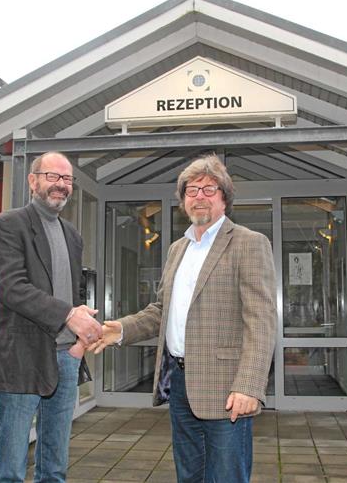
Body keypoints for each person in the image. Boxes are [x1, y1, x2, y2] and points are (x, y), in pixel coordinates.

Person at [91, 154, 276, 483]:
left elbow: (261, 321)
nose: (200, 196)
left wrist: (249, 386)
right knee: (189, 475)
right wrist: (120, 330)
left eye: (209, 188)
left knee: (227, 477)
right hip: (179, 382)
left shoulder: (249, 243)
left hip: (226, 387)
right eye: (192, 190)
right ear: (182, 200)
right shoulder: (178, 248)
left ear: (224, 197)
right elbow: (161, 310)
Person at [0, 151, 101, 483]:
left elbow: (76, 295)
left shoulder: (72, 235)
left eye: (67, 179)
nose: (61, 185)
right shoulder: (8, 224)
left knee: (54, 468)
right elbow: (12, 288)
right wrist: (68, 315)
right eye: (53, 177)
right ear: (33, 180)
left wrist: (79, 344)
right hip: (22, 360)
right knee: (10, 469)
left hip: (66, 359)